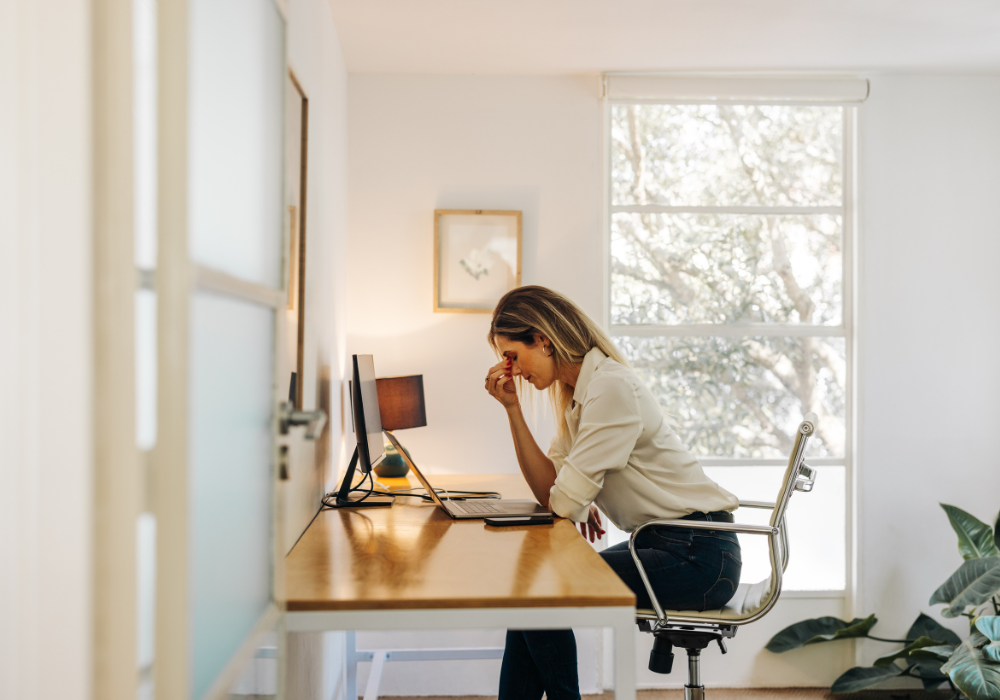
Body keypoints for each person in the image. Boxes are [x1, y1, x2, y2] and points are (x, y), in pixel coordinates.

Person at [483, 285, 742, 700]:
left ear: (544, 340)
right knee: (531, 593)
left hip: (699, 555)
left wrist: (578, 497)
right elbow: (553, 490)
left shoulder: (610, 388)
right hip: (663, 543)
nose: (509, 369)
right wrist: (512, 409)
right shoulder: (578, 398)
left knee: (539, 591)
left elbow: (564, 503)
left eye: (511, 355)